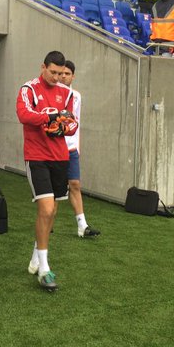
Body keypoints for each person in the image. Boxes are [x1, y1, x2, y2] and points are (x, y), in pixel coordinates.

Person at [16, 50, 78, 291]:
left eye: (61, 73)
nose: (57, 77)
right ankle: (44, 268)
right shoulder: (29, 89)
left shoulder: (67, 92)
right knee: (46, 208)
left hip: (61, 156)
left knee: (52, 212)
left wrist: (64, 126)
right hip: (37, 157)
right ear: (43, 67)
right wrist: (50, 117)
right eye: (53, 72)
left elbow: (72, 124)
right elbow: (23, 115)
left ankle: (36, 253)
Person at [58, 60, 100, 238]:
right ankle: (47, 221)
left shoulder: (76, 96)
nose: (63, 76)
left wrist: (77, 147)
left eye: (67, 73)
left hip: (71, 148)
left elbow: (77, 122)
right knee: (54, 189)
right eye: (61, 73)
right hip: (53, 149)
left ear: (73, 76)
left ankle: (82, 225)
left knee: (75, 184)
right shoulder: (51, 93)